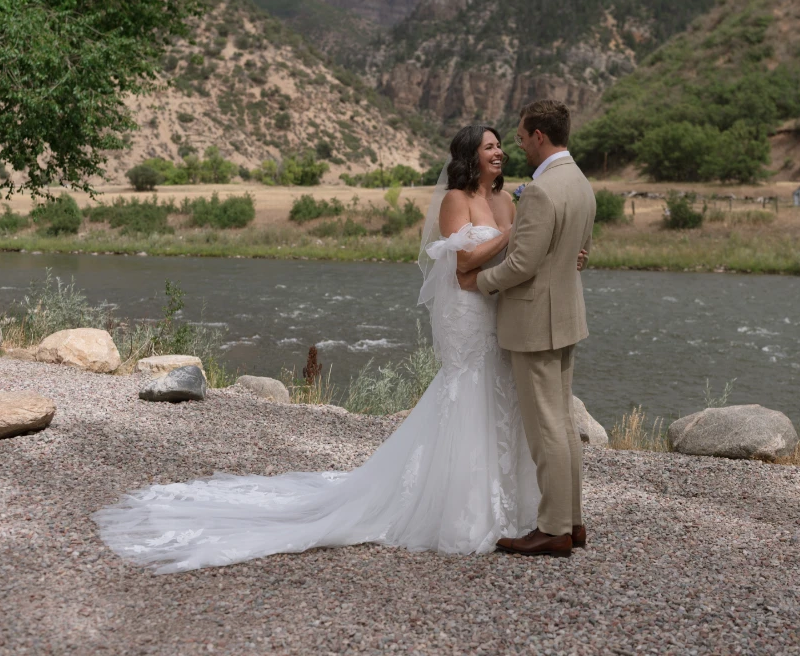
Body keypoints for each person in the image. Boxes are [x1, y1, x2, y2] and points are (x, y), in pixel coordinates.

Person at [93, 122, 584, 572]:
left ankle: (519, 509)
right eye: (490, 146)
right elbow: (463, 262)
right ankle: (464, 511)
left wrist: (548, 246)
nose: (499, 152)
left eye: (501, 145)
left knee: (501, 396)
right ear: (470, 155)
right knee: (468, 389)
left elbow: (522, 252)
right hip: (468, 309)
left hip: (496, 306)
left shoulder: (508, 201)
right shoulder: (456, 199)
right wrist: (510, 236)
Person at [458, 99, 596, 559]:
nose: (518, 146)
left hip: (536, 323)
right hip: (566, 317)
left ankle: (553, 528)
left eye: (520, 138)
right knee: (563, 423)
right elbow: (580, 252)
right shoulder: (580, 182)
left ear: (539, 135)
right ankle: (572, 521)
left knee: (545, 430)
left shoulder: (540, 191)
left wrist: (479, 283)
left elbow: (522, 264)